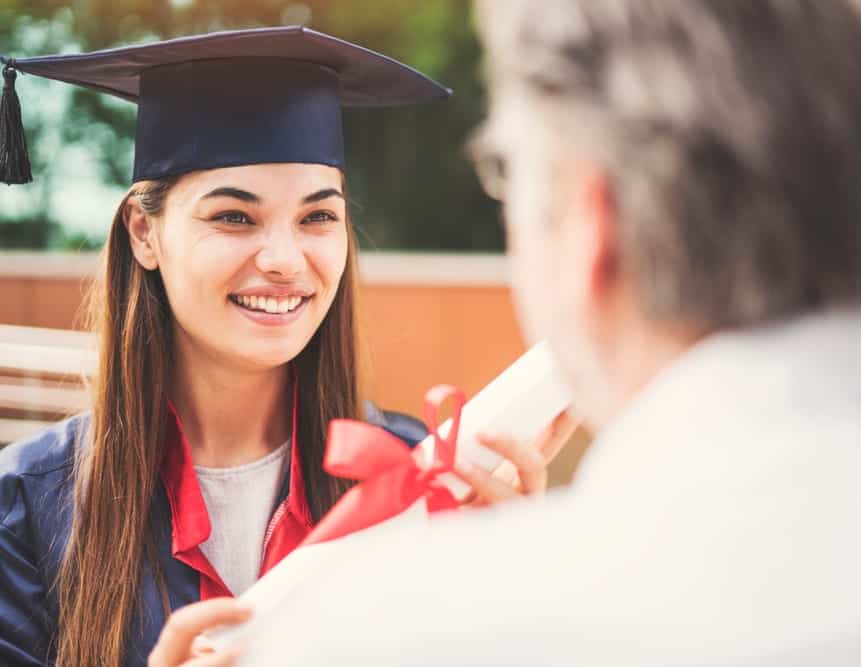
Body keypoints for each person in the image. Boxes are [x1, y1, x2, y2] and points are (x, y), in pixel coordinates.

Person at [163, 1, 861, 665]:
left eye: (509, 178)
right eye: (235, 215)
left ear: (594, 217)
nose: (283, 259)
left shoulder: (381, 637)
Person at [0, 27, 576, 667]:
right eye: (233, 217)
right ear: (144, 233)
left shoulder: (417, 485)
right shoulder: (22, 516)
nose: (283, 260)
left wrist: (505, 608)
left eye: (317, 217)